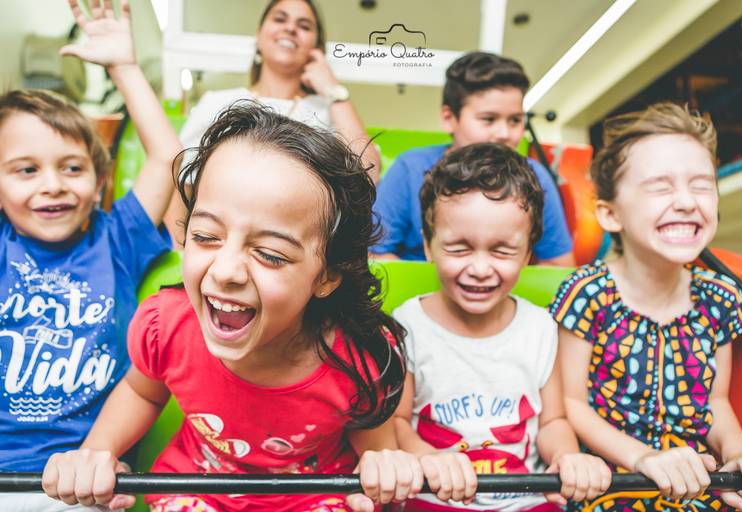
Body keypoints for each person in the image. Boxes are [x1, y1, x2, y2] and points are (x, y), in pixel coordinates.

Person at [40, 101, 433, 512]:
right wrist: (96, 452)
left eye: (270, 253)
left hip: (314, 498)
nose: (226, 271)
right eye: (207, 236)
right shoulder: (167, 324)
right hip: (195, 492)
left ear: (327, 276)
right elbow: (142, 391)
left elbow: (376, 454)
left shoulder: (357, 356)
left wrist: (385, 472)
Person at [0, 0, 177, 510]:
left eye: (72, 168)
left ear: (100, 180)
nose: (52, 186)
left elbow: (166, 157)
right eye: (26, 170)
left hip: (82, 476)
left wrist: (124, 67)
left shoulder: (116, 236)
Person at [550, 102, 742, 512]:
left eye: (702, 184)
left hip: (696, 484)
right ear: (610, 214)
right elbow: (572, 405)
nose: (687, 201)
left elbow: (715, 404)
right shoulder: (588, 292)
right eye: (661, 186)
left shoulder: (721, 297)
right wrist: (644, 459)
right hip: (611, 486)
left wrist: (740, 451)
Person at [393, 143, 611, 511]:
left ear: (528, 254)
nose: (480, 268)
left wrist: (567, 457)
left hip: (526, 502)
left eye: (502, 251)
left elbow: (552, 420)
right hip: (435, 499)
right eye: (459, 248)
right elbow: (397, 423)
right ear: (429, 246)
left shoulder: (540, 327)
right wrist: (427, 457)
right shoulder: (407, 325)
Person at [165, 0, 379, 245]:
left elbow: (367, 175)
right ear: (258, 36)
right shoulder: (217, 102)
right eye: (280, 19)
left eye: (304, 26)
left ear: (316, 48)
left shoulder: (328, 111)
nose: (290, 29)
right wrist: (180, 246)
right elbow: (179, 180)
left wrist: (332, 89)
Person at [370, 52, 574, 267]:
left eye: (515, 120)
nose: (504, 133)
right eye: (488, 119)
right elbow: (373, 256)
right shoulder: (409, 169)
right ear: (449, 118)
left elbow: (559, 264)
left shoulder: (536, 176)